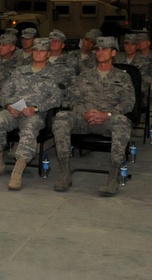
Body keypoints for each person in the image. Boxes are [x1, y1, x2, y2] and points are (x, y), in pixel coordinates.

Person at [51, 36, 135, 195]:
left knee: (122, 122)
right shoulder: (84, 76)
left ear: (113, 53)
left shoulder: (123, 77)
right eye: (98, 49)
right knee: (61, 118)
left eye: (105, 49)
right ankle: (65, 173)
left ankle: (113, 177)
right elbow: (73, 99)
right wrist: (84, 113)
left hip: (108, 121)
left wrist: (107, 114)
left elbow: (128, 103)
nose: (100, 52)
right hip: (84, 119)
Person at [0, 37, 62, 189]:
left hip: (35, 114)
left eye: (42, 51)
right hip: (13, 111)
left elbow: (57, 99)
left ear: (48, 54)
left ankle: (18, 171)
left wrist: (36, 108)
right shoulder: (20, 71)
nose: (38, 53)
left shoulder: (53, 74)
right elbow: (5, 93)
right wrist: (9, 106)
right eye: (35, 50)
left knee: (30, 127)